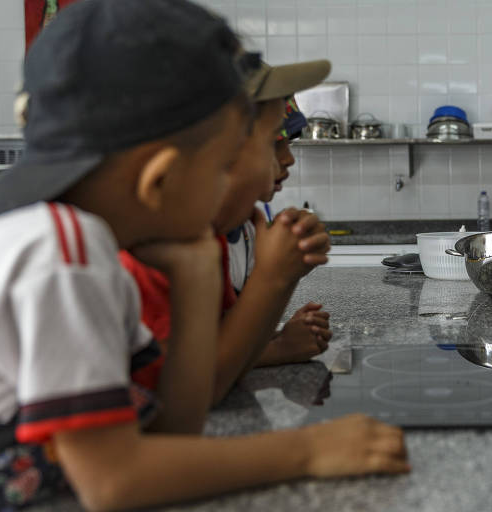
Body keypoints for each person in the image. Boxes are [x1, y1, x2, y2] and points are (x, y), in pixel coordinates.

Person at [0, 1, 408, 510]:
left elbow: (172, 430)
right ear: (159, 180)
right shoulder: (61, 250)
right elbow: (115, 482)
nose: (234, 186)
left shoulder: (67, 238)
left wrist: (198, 270)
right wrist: (307, 449)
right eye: (225, 165)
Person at [119, 61, 333, 400]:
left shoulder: (212, 238)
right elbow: (192, 389)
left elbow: (215, 357)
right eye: (271, 141)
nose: (287, 160)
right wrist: (273, 277)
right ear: (219, 153)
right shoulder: (148, 250)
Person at [225, 95, 332, 369]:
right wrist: (280, 348)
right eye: (274, 142)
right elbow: (190, 367)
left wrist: (286, 274)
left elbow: (232, 331)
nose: (289, 159)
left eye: (290, 143)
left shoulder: (248, 226)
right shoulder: (189, 243)